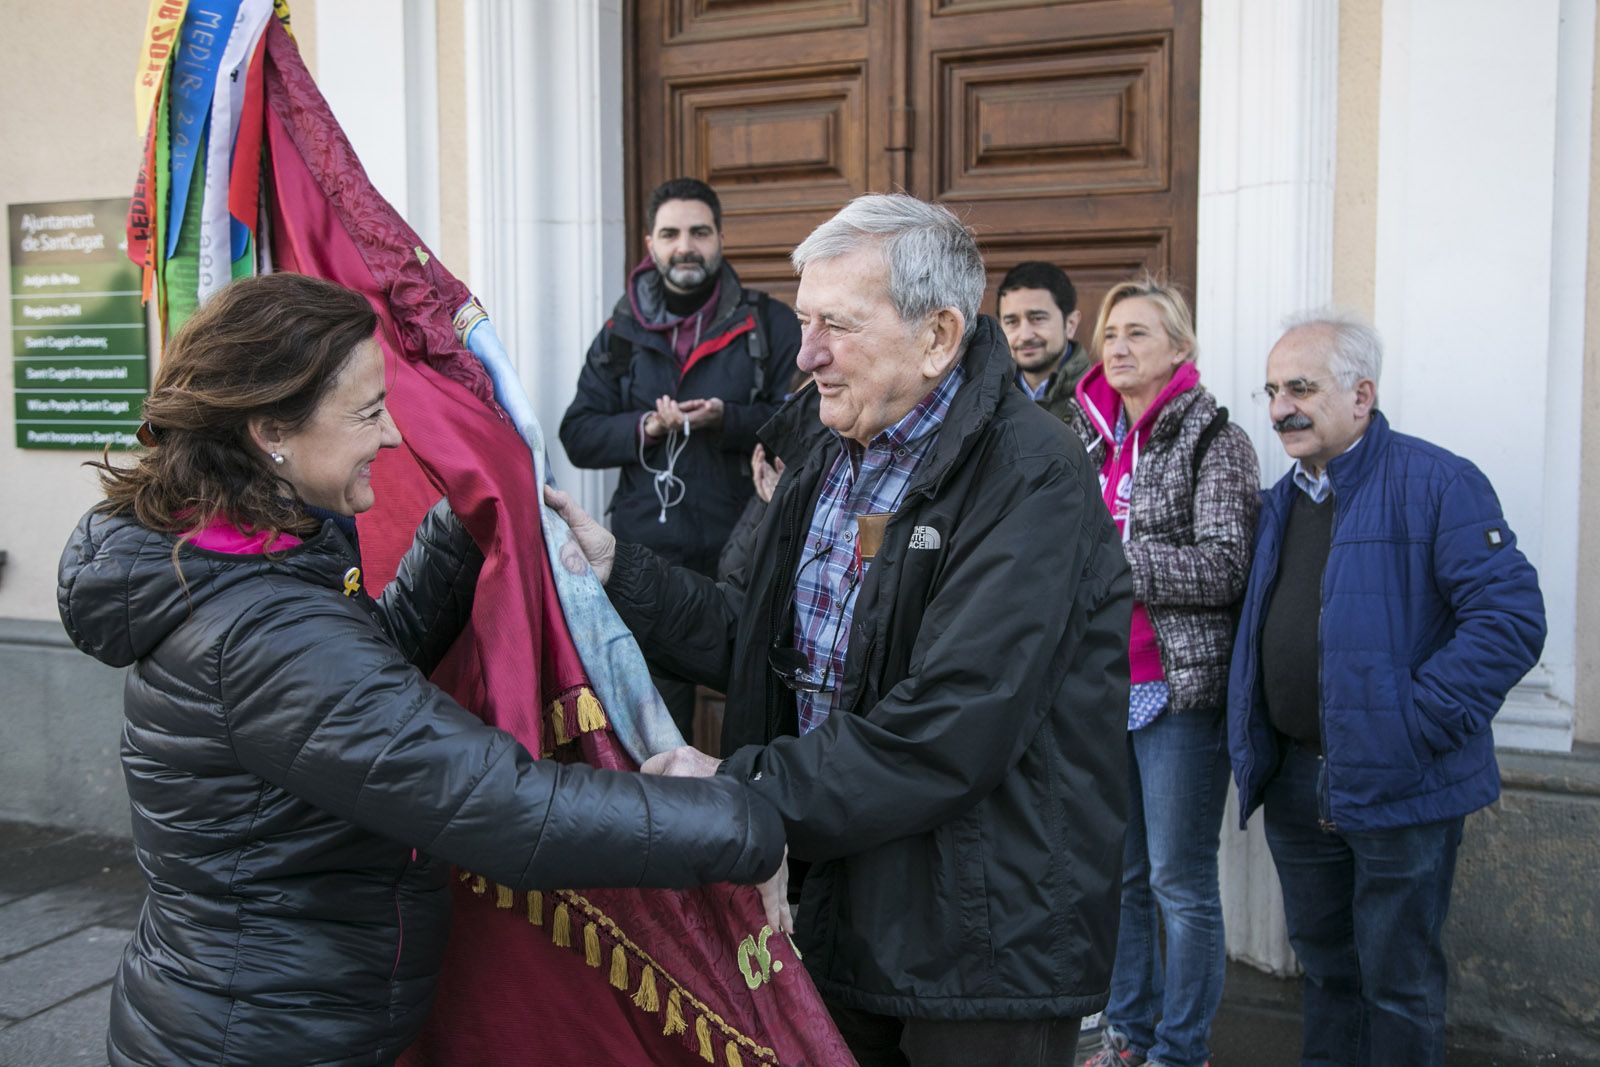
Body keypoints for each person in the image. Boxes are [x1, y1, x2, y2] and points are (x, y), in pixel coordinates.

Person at [57, 273, 786, 1067]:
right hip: (259, 1040)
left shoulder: (238, 560)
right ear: (271, 428)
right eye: (368, 412)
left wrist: (471, 517)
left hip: (266, 1020)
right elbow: (500, 804)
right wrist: (742, 822)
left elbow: (364, 681)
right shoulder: (260, 633)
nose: (395, 437)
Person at [547, 193, 1132, 1067]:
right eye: (805, 317)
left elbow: (954, 723)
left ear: (937, 338)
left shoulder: (1033, 475)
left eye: (838, 325)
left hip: (976, 943)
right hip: (827, 908)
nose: (807, 349)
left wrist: (740, 786)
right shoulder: (825, 446)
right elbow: (756, 642)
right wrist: (615, 571)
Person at [1228, 312, 1545, 1067]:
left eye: (1300, 388)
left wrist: (1414, 722)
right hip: (1301, 781)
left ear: (1361, 394)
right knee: (1330, 973)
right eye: (1271, 390)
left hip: (1401, 779)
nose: (1279, 409)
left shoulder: (1440, 481)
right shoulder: (1281, 501)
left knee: (1399, 982)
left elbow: (1509, 618)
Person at [1063, 278, 1259, 1067]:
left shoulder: (1216, 439)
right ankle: (1128, 1035)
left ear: (1181, 350)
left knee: (1180, 883)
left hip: (1178, 690)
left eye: (1139, 333)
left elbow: (1226, 566)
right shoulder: (1084, 436)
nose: (1117, 347)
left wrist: (1115, 560)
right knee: (1123, 878)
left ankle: (1183, 1049)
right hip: (1101, 686)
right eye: (1111, 333)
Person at [559, 177, 800, 735]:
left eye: (699, 231)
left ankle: (746, 820)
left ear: (720, 238)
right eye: (670, 233)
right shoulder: (619, 333)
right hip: (645, 565)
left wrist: (727, 419)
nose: (685, 245)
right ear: (650, 243)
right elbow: (579, 433)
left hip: (746, 560)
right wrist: (646, 425)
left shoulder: (770, 324)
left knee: (755, 722)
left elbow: (809, 426)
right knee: (655, 739)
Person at [996, 260, 1089, 419]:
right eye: (1012, 322)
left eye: (1037, 318)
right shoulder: (989, 398)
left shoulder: (1100, 401)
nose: (1025, 335)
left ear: (1071, 324)